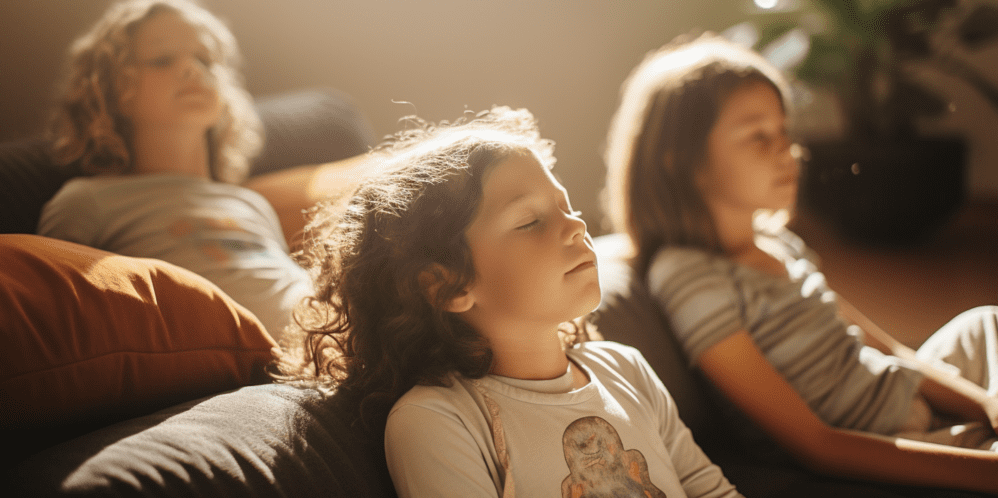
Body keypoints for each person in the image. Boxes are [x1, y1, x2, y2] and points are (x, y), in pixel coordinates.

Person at [274, 107, 743, 498]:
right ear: (446, 286)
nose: (576, 226)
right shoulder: (436, 421)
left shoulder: (627, 369)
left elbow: (711, 490)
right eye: (530, 222)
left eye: (567, 207)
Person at [603, 32, 998, 494]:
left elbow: (890, 351)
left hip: (899, 392)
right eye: (758, 137)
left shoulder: (778, 242)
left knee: (984, 325)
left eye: (784, 131)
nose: (787, 151)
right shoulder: (690, 276)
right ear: (680, 161)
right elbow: (817, 445)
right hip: (889, 437)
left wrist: (988, 405)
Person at [37, 0, 310, 338]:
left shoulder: (249, 202)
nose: (192, 70)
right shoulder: (88, 201)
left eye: (205, 60)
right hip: (248, 361)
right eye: (163, 60)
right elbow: (58, 315)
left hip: (326, 329)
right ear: (112, 88)